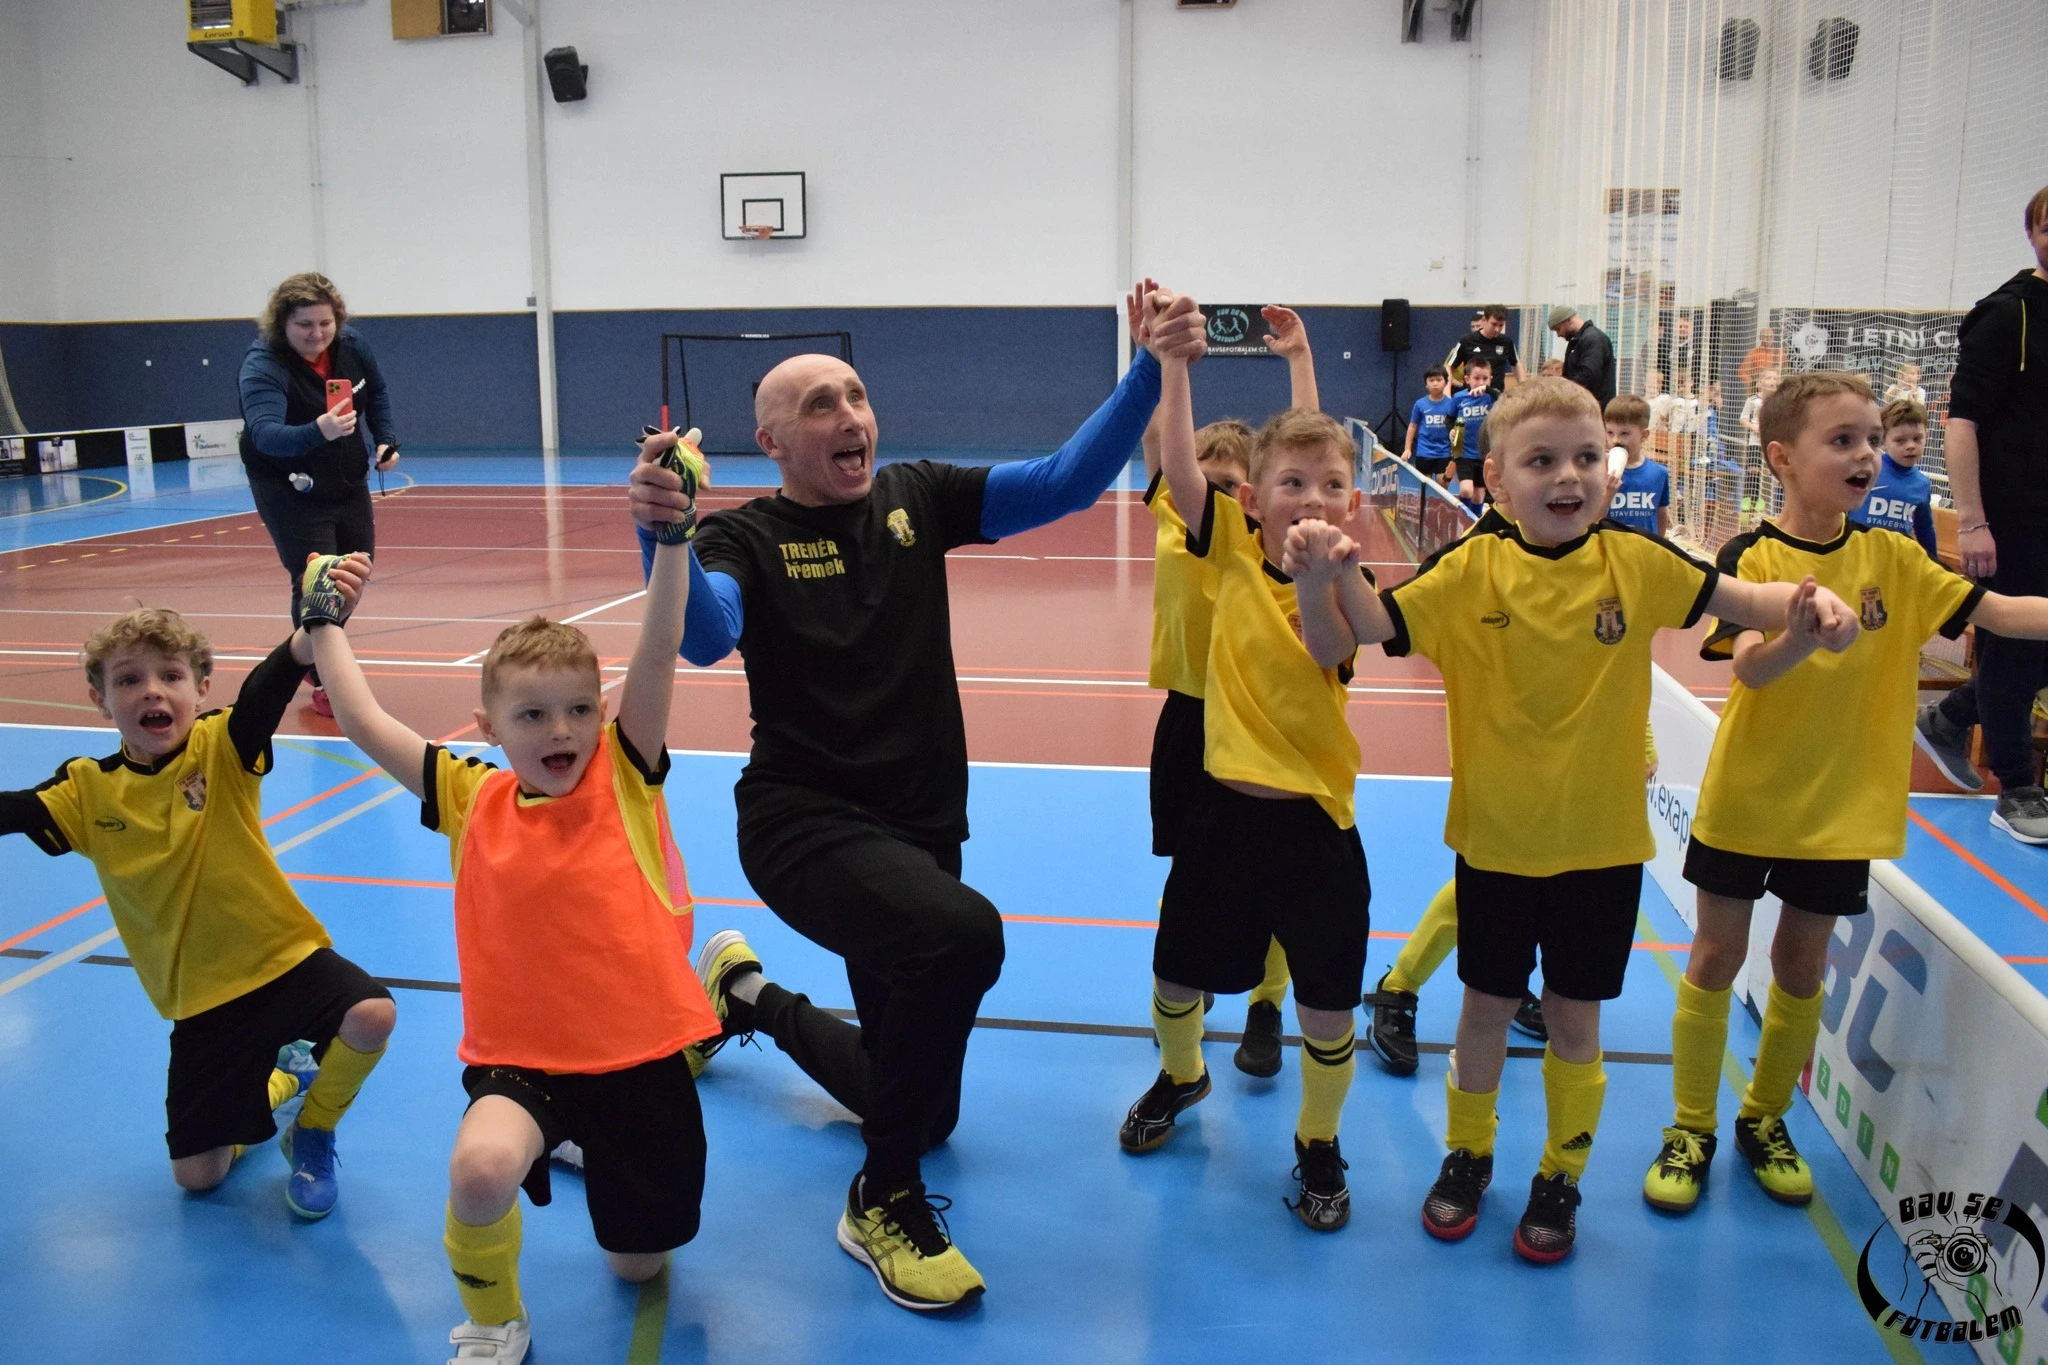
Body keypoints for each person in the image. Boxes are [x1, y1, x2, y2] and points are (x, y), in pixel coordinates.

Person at [625, 284, 1209, 1311]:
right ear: (771, 442)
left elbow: (1068, 482)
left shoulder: (915, 495)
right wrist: (666, 535)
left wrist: (1151, 367)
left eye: (854, 395)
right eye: (819, 405)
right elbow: (705, 636)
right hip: (803, 825)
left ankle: (744, 997)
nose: (848, 414)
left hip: (920, 828)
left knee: (920, 1104)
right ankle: (881, 1198)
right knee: (961, 938)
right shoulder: (744, 540)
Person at [1364, 377, 1855, 1264]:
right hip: (1497, 845)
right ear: (1496, 479)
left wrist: (1806, 605)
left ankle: (1561, 1175)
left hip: (1602, 853)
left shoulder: (1637, 561)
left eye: (1588, 457)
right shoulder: (1467, 569)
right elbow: (1371, 623)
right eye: (1543, 460)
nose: (1569, 476)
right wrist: (1325, 571)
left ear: (1610, 467)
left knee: (1574, 1018)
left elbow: (1741, 599)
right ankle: (1468, 1153)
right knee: (1483, 1010)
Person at [303, 437, 719, 1365]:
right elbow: (364, 720)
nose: (560, 729)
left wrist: (675, 537)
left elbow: (658, 647)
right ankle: (495, 1322)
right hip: (524, 1059)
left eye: (578, 709)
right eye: (532, 714)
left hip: (641, 1058)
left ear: (601, 714)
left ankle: (578, 1145)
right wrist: (323, 621)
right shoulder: (470, 797)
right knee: (481, 1167)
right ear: (488, 726)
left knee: (639, 1265)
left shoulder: (625, 775)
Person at [1641, 373, 2048, 1216]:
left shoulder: (1894, 558)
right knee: (1716, 957)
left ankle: (1764, 1118)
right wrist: (1800, 635)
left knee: (1800, 965)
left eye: (1870, 439)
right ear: (1782, 456)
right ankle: (1690, 1127)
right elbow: (1750, 668)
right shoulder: (1751, 557)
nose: (1865, 454)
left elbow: (2003, 613)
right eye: (1843, 440)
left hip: (1842, 811)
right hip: (1749, 799)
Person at [0, 606, 396, 1218]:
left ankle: (313, 1129)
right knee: (198, 1177)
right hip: (201, 1000)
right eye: (128, 680)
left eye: (171, 676)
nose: (152, 691)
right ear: (100, 701)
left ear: (200, 689)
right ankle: (286, 1079)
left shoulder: (221, 747)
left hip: (282, 960)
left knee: (372, 1013)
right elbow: (12, 811)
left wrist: (302, 641)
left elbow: (263, 696)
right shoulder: (84, 790)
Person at [1121, 342, 1375, 1231]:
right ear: (1252, 501)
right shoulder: (1225, 547)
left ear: (1353, 503)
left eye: (1332, 485)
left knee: (1328, 1006)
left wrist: (1322, 572)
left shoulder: (1350, 583)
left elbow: (1330, 649)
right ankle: (1182, 1073)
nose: (1313, 497)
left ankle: (1318, 1140)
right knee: (1175, 974)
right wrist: (1171, 363)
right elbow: (1178, 461)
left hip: (1316, 828)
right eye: (1291, 484)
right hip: (1221, 817)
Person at [1139, 303, 1319, 1078]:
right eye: (1202, 479)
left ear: (1251, 498)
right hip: (1189, 716)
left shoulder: (1254, 544)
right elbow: (1161, 440)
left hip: (1259, 721)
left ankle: (1266, 1004)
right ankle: (1188, 984)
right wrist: (1158, 357)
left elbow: (1306, 450)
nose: (1207, 494)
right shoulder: (1172, 514)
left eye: (1227, 485)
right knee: (1189, 867)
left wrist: (1299, 362)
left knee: (1272, 879)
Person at [1918, 186, 2048, 842]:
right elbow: (1962, 421)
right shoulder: (2006, 315)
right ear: (2033, 233)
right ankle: (2017, 787)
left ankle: (1950, 718)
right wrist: (1971, 520)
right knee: (2015, 648)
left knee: (2029, 651)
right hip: (2012, 519)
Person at [237, 272, 400, 718]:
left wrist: (385, 439)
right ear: (282, 325)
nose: (317, 334)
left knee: (355, 573)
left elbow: (377, 392)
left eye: (325, 323)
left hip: (345, 478)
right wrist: (318, 430)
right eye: (304, 325)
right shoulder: (264, 366)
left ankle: (315, 656)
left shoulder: (352, 346)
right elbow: (265, 433)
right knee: (317, 581)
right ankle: (324, 676)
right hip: (290, 488)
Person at [1851, 398, 1939, 560]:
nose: (1910, 446)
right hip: (1858, 556)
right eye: (1900, 440)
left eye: (1917, 438)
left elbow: (1924, 529)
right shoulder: (1868, 470)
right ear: (1883, 441)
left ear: (1926, 437)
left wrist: (1935, 562)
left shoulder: (1922, 484)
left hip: (1896, 561)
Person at [1605, 395, 1672, 537]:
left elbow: (1661, 514)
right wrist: (1607, 493)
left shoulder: (1659, 473)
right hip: (1610, 548)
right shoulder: (1600, 472)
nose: (1615, 440)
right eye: (1610, 433)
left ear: (1643, 435)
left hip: (1645, 547)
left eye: (1624, 433)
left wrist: (1659, 544)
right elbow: (1591, 521)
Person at [1547, 307, 1616, 409]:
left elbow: (1588, 374)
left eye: (1558, 329)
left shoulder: (1593, 339)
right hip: (1586, 406)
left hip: (1594, 409)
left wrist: (1562, 390)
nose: (1558, 334)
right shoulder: (1578, 341)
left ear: (1569, 320)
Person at [1451, 359, 1496, 504]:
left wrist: (1488, 390)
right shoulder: (1459, 398)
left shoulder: (1491, 398)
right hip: (1463, 451)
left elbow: (1506, 400)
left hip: (1484, 453)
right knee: (1466, 490)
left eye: (1485, 378)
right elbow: (1449, 418)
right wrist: (1450, 430)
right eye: (1476, 378)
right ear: (1467, 379)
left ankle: (1475, 516)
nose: (1481, 382)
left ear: (1490, 379)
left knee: (1478, 496)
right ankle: (1462, 515)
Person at [1452, 306, 1523, 395]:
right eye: (1494, 324)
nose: (1497, 329)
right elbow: (1449, 367)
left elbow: (1516, 364)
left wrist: (1524, 388)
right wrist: (1446, 392)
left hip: (1496, 396)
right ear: (1484, 320)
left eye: (1501, 325)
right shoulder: (1466, 341)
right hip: (1472, 396)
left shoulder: (1507, 342)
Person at [1406, 365, 1461, 480]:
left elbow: (1457, 427)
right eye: (1431, 380)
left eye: (1439, 380)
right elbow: (1413, 426)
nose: (1435, 383)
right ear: (1426, 384)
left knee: (1442, 485)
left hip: (1444, 453)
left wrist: (1456, 451)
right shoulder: (1420, 404)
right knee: (1425, 486)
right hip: (1424, 452)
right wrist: (1407, 449)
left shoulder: (1452, 404)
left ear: (1446, 382)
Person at [1739, 369, 1782, 514]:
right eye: (1769, 378)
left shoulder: (1779, 401)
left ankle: (1769, 504)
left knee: (1773, 471)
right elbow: (1743, 418)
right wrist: (1754, 427)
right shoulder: (1752, 400)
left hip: (1773, 441)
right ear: (1760, 382)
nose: (1772, 381)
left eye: (1775, 378)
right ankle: (1750, 499)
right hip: (1755, 441)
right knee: (1753, 469)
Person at [1738, 326, 1787, 395]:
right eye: (1766, 336)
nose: (1768, 339)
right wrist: (1753, 384)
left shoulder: (1780, 353)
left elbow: (1785, 372)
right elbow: (1742, 371)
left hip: (1775, 391)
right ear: (1760, 338)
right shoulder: (1753, 353)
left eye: (1771, 337)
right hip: (1757, 391)